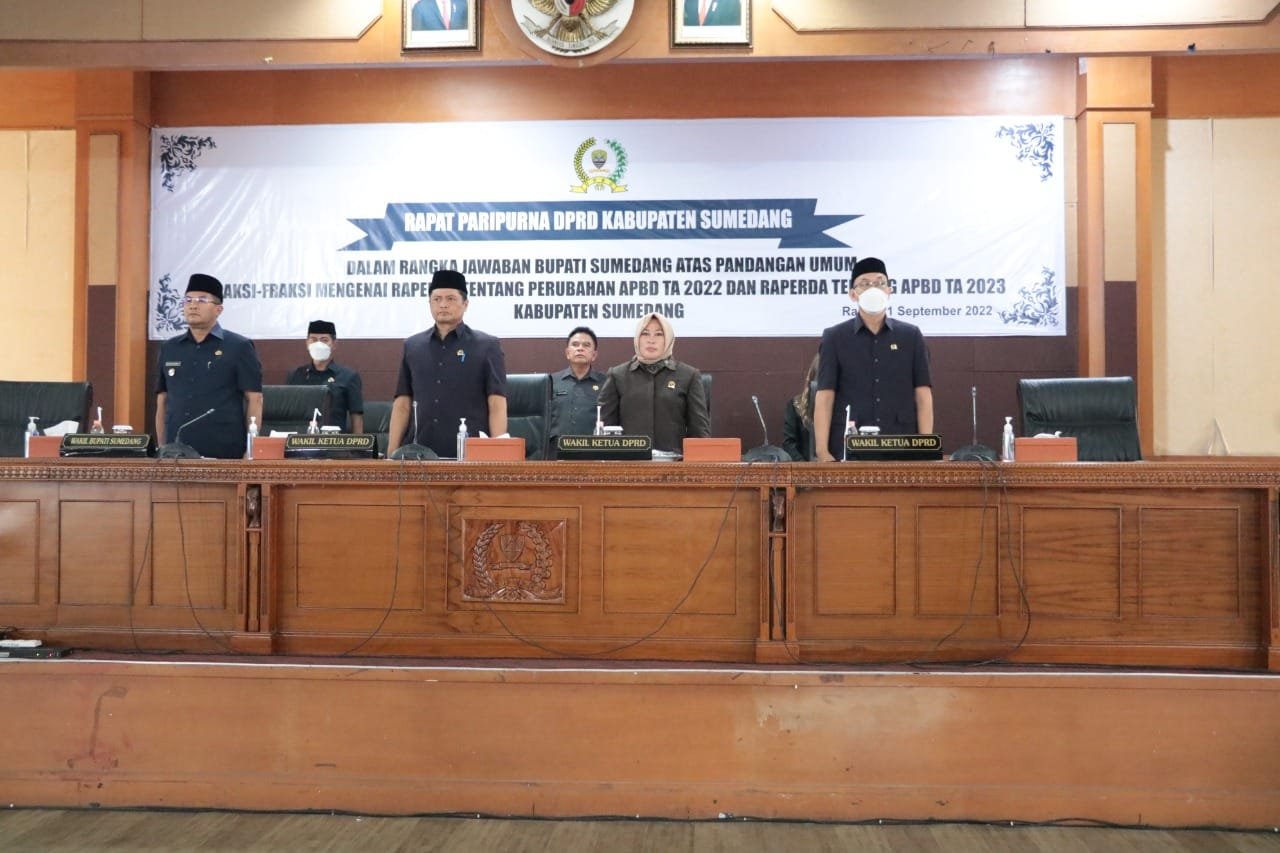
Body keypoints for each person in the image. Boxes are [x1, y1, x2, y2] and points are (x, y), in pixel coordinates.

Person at [813, 257, 934, 462]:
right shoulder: (835, 337)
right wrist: (822, 452)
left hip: (901, 443)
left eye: (879, 283)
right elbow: (825, 396)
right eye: (865, 284)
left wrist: (925, 448)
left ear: (889, 291)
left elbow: (923, 394)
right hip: (849, 446)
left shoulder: (911, 336)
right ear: (853, 294)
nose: (873, 289)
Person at [387, 269, 507, 458]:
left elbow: (496, 403)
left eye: (450, 299)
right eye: (437, 299)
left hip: (469, 454)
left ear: (465, 304)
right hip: (418, 455)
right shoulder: (413, 346)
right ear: (429, 303)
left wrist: (498, 455)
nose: (443, 305)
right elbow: (402, 403)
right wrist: (391, 454)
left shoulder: (486, 346)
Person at [154, 273, 263, 458]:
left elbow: (255, 399)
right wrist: (162, 447)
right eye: (188, 300)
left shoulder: (239, 346)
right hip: (176, 453)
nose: (193, 305)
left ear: (218, 309)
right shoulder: (169, 348)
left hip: (224, 450)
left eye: (202, 300)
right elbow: (162, 401)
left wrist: (250, 450)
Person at [597, 312, 710, 453]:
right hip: (629, 462)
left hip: (674, 462)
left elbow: (699, 432)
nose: (651, 340)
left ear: (668, 339)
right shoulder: (618, 375)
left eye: (659, 334)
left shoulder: (688, 375)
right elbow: (604, 429)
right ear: (637, 338)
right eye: (645, 334)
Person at [284, 320, 364, 433]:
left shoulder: (348, 377)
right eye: (313, 340)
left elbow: (357, 418)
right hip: (301, 439)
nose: (318, 344)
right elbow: (287, 414)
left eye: (324, 340)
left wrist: (358, 444)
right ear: (307, 343)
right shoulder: (295, 375)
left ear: (334, 344)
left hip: (334, 440)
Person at [549, 326, 606, 441]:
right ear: (567, 353)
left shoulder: (606, 383)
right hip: (557, 448)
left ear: (594, 355)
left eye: (586, 345)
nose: (580, 348)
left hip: (593, 448)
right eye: (575, 344)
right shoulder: (551, 382)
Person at [782, 353, 819, 462]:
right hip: (803, 467)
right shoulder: (795, 405)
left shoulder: (843, 408)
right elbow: (789, 443)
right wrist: (803, 466)